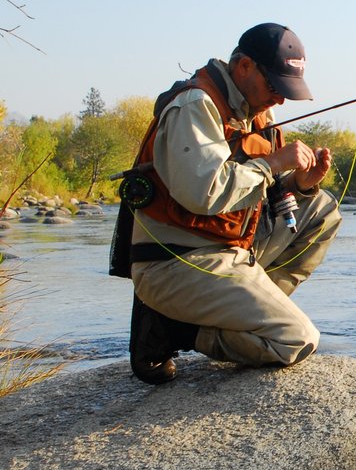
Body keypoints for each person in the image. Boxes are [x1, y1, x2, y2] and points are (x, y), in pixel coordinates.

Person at [123, 23, 342, 384]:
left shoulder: (254, 109)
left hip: (233, 250)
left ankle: (242, 308)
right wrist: (274, 163)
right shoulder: (195, 106)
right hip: (176, 262)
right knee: (297, 339)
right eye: (275, 86)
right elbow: (205, 192)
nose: (280, 100)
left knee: (322, 210)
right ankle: (175, 329)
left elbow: (256, 191)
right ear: (243, 67)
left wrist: (299, 186)